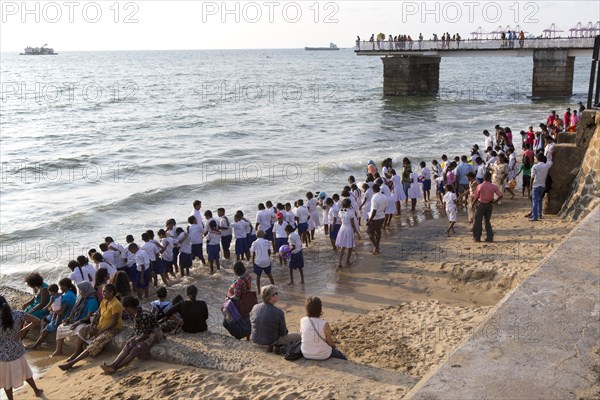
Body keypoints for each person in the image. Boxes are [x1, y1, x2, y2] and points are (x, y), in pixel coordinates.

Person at [59, 283, 123, 370]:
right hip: (101, 326)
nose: (103, 294)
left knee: (95, 343)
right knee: (82, 330)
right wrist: (93, 324)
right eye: (102, 292)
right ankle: (77, 351)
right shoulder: (104, 301)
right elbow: (98, 314)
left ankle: (72, 363)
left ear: (111, 293)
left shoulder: (116, 304)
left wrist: (103, 330)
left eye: (105, 292)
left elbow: (114, 322)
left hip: (113, 329)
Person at [100, 296, 163, 374]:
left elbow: (146, 334)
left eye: (125, 308)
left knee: (135, 350)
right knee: (128, 345)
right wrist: (134, 338)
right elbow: (139, 330)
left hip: (153, 334)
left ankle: (115, 367)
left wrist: (136, 339)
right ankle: (114, 364)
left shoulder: (143, 315)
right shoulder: (133, 313)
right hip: (142, 333)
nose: (124, 310)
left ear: (129, 307)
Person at [0, 296, 44, 400]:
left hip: (3, 354)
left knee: (7, 380)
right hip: (17, 350)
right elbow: (37, 320)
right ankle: (37, 391)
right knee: (26, 372)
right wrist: (22, 331)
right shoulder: (18, 314)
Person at [25, 279, 77, 351]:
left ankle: (35, 345)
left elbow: (61, 312)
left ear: (65, 286)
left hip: (63, 317)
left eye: (61, 286)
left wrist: (51, 310)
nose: (60, 288)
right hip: (63, 314)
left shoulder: (66, 297)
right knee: (44, 321)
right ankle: (38, 344)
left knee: (45, 330)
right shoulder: (70, 294)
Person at [52, 281, 99, 357]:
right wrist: (68, 318)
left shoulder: (92, 301)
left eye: (81, 290)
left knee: (80, 329)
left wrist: (77, 323)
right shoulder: (80, 298)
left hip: (85, 322)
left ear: (85, 290)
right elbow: (74, 310)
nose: (80, 292)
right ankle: (58, 350)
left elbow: (89, 317)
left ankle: (78, 351)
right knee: (60, 328)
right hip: (75, 320)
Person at [250, 285, 300, 352]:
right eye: (276, 293)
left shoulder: (255, 307)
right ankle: (278, 346)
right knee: (298, 336)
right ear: (271, 297)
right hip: (269, 341)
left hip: (255, 339)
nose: (278, 295)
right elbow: (283, 333)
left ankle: (275, 346)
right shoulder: (278, 312)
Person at [300, 296, 347, 361]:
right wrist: (333, 346)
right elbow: (329, 340)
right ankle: (346, 361)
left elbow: (303, 335)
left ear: (307, 309)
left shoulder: (303, 320)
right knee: (340, 355)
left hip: (305, 353)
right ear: (320, 309)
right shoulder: (324, 324)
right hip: (323, 355)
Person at [472, 172, 503, 242]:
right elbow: (500, 195)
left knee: (477, 221)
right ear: (490, 178)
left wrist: (473, 204)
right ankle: (489, 237)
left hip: (481, 204)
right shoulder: (493, 186)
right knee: (487, 221)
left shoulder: (480, 186)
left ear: (483, 178)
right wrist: (495, 201)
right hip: (489, 205)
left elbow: (476, 197)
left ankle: (477, 237)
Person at [335, 198, 360, 268]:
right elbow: (352, 224)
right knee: (350, 246)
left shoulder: (341, 211)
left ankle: (340, 261)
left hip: (342, 229)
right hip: (349, 229)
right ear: (349, 204)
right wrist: (357, 233)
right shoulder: (351, 212)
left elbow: (340, 221)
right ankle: (347, 260)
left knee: (343, 246)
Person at [530, 154, 553, 222]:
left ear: (537, 159)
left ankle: (535, 216)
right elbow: (551, 161)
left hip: (536, 185)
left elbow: (532, 177)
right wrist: (551, 154)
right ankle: (540, 214)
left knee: (535, 201)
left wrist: (531, 186)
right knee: (540, 200)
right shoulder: (546, 166)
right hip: (543, 185)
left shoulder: (535, 166)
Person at [366, 183, 387, 254]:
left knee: (369, 232)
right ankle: (376, 247)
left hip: (375, 218)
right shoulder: (384, 196)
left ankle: (376, 247)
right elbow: (385, 207)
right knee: (378, 232)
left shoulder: (374, 198)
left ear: (373, 190)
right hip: (382, 216)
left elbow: (374, 210)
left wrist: (370, 220)